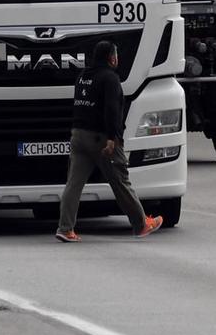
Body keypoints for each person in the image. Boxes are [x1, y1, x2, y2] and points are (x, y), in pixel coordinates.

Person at [56, 40, 163, 242]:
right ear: (112, 58)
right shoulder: (110, 78)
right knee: (120, 181)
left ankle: (65, 228)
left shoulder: (83, 76)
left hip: (78, 135)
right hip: (101, 139)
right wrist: (113, 138)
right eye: (116, 55)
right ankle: (141, 224)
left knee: (74, 183)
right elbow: (111, 110)